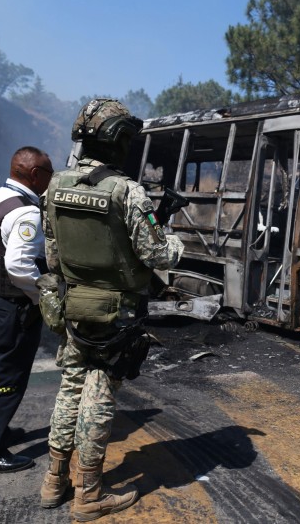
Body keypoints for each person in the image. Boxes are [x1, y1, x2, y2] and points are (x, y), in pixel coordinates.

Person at [39, 99, 183, 521]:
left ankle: (54, 480)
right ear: (118, 141)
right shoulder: (126, 191)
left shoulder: (55, 185)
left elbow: (52, 257)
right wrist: (174, 241)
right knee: (98, 394)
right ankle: (89, 494)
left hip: (73, 306)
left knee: (70, 387)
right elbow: (158, 254)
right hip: (116, 314)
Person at [0, 146, 54, 473]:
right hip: (11, 307)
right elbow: (19, 265)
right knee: (7, 377)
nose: (51, 180)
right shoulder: (26, 213)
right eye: (49, 173)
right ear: (35, 175)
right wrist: (40, 295)